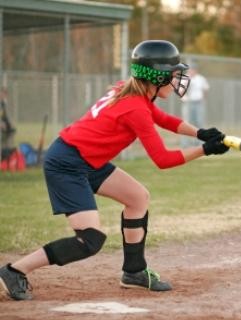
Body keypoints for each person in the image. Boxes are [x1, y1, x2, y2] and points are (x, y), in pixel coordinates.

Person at [0, 40, 228, 301]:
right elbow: (163, 159)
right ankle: (14, 270)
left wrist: (200, 133)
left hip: (87, 159)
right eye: (173, 73)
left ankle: (134, 272)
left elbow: (163, 118)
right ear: (157, 75)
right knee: (90, 240)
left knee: (137, 198)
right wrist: (206, 150)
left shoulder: (133, 92)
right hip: (67, 163)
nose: (177, 78)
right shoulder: (135, 106)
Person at [181, 65, 210, 147]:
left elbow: (206, 89)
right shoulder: (185, 78)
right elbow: (181, 91)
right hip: (188, 103)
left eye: (193, 70)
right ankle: (185, 143)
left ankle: (200, 142)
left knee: (199, 122)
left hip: (198, 103)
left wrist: (203, 99)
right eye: (190, 70)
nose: (192, 71)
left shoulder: (201, 79)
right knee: (186, 124)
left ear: (196, 70)